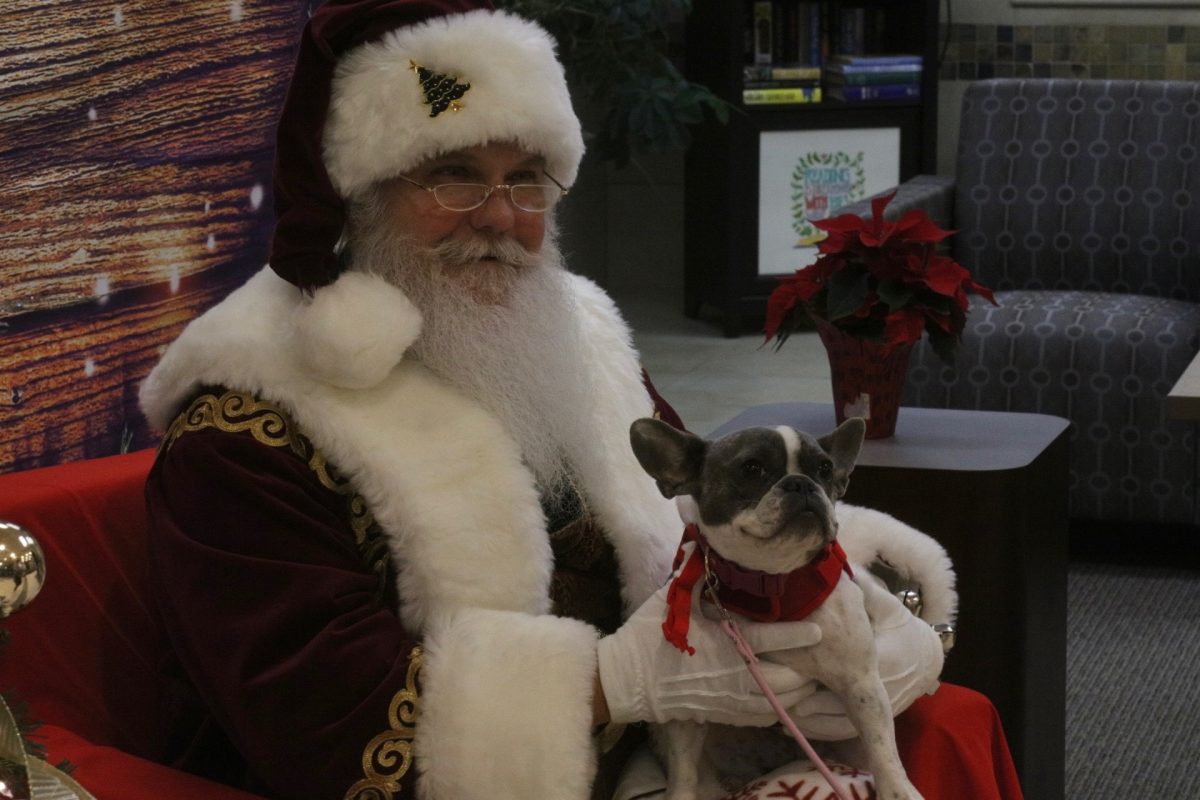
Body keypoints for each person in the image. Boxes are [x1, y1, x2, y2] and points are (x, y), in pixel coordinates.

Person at [138, 2, 1023, 799]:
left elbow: (700, 517)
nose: (498, 216)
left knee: (941, 725)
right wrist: (620, 682)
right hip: (474, 780)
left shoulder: (581, 336)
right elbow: (320, 720)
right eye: (452, 175)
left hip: (653, 751)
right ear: (355, 198)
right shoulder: (247, 425)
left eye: (528, 179)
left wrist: (845, 596)